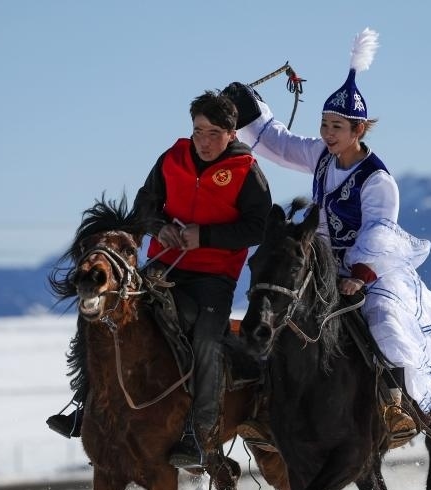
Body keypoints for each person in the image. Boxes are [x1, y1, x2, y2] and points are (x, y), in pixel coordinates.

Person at [226, 28, 431, 436]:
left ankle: (394, 402)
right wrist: (250, 110)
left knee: (385, 322)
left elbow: (379, 233)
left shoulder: (378, 179)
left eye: (337, 127)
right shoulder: (320, 155)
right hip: (323, 264)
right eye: (325, 124)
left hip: (372, 272)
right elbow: (281, 144)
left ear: (358, 130)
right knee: (282, 309)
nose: (327, 133)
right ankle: (267, 402)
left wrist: (358, 274)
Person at [48, 90, 272, 469]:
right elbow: (144, 205)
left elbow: (258, 227)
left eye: (214, 133)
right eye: (198, 131)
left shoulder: (247, 171)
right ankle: (84, 404)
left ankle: (198, 435)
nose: (203, 141)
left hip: (213, 279)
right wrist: (160, 227)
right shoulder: (172, 157)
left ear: (232, 134)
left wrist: (205, 236)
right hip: (161, 267)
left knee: (206, 340)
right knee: (106, 311)